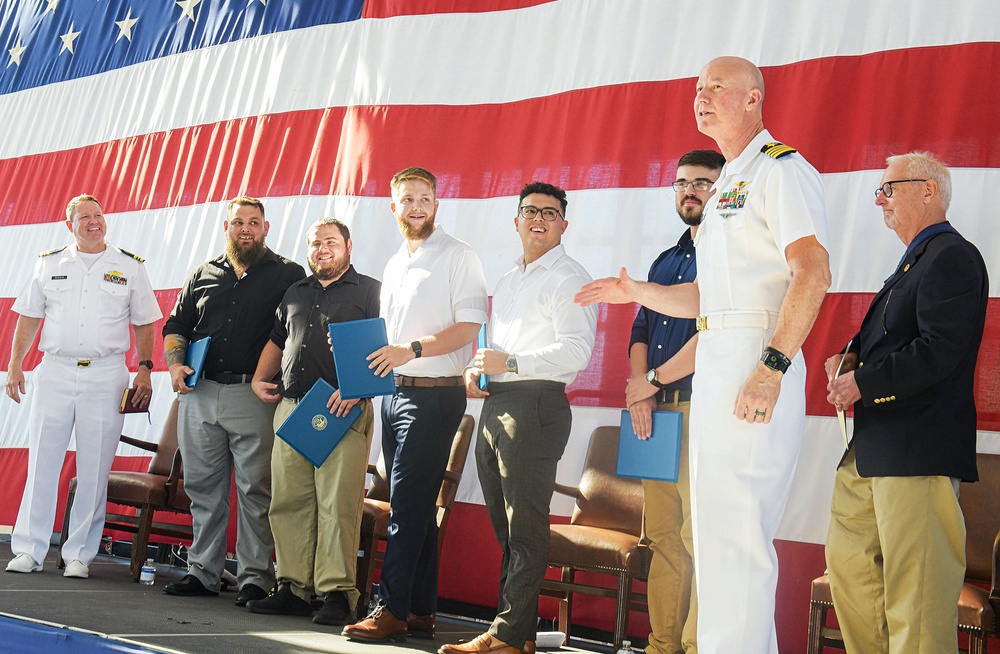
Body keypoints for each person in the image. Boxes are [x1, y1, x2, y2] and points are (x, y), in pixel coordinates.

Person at [575, 56, 831, 653]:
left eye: (717, 87)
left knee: (738, 531)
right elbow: (706, 298)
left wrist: (771, 368)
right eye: (697, 88)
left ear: (753, 99)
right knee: (713, 533)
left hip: (753, 355)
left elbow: (812, 272)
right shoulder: (728, 188)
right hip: (717, 356)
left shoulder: (780, 170)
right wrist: (635, 291)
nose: (701, 96)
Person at [824, 152, 988, 653]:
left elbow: (940, 350)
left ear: (928, 191)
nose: (879, 200)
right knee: (851, 574)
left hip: (917, 450)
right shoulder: (916, 261)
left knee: (916, 601)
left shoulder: (952, 256)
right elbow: (899, 339)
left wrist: (865, 383)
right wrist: (850, 361)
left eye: (889, 189)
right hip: (873, 450)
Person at [439, 182, 597, 654]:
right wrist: (478, 369)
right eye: (530, 210)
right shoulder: (509, 279)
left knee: (524, 526)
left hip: (537, 405)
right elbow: (497, 348)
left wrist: (507, 364)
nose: (539, 219)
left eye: (550, 213)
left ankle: (506, 634)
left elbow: (577, 351)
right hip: (499, 404)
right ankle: (518, 634)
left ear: (563, 225)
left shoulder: (568, 277)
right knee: (507, 527)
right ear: (516, 220)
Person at [342, 167, 488, 642]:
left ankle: (389, 610)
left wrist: (416, 350)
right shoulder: (394, 262)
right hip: (393, 393)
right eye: (407, 200)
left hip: (433, 396)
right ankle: (421, 610)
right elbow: (388, 337)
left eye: (424, 198)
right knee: (417, 507)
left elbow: (469, 327)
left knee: (404, 505)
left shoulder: (458, 255)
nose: (416, 207)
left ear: (436, 204)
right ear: (394, 207)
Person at [4, 194, 161, 579]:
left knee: (95, 468)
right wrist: (14, 366)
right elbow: (28, 317)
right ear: (69, 224)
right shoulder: (49, 263)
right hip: (54, 371)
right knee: (43, 461)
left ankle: (79, 554)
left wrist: (144, 368)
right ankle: (29, 548)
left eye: (98, 215)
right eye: (85, 217)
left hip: (106, 374)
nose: (94, 222)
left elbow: (144, 322)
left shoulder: (129, 266)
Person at [161, 196, 305, 605]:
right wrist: (174, 364)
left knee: (256, 490)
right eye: (238, 221)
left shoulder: (289, 274)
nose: (246, 228)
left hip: (254, 395)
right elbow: (176, 325)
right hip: (200, 394)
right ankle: (203, 572)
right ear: (226, 227)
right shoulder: (203, 274)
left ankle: (255, 578)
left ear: (266, 228)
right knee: (203, 488)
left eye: (254, 222)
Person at [245, 217, 380, 625]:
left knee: (337, 503)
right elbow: (277, 338)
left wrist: (358, 389)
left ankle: (339, 593)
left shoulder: (371, 290)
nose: (322, 249)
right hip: (292, 406)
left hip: (343, 406)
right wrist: (257, 378)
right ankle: (292, 588)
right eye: (315, 243)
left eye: (331, 242)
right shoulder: (295, 291)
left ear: (348, 246)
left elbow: (381, 347)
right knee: (288, 501)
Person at [628, 149, 725, 654]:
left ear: (725, 189)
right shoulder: (665, 259)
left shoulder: (727, 252)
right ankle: (660, 646)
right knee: (662, 537)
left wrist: (652, 379)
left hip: (698, 407)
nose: (691, 190)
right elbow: (640, 326)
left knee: (696, 537)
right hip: (654, 413)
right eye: (683, 182)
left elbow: (712, 332)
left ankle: (693, 648)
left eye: (703, 182)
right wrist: (638, 391)